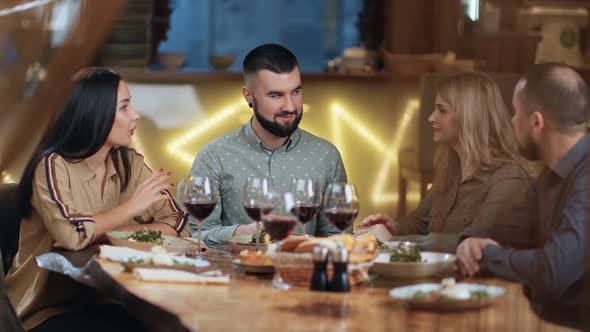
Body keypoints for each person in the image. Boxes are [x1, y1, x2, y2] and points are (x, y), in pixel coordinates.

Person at [7, 67, 189, 331]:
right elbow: (71, 235)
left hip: (103, 300)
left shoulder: (129, 162)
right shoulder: (51, 165)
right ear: (94, 113)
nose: (135, 116)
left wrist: (113, 232)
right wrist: (131, 208)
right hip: (42, 310)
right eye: (124, 108)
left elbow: (177, 222)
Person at [456, 63, 590, 326]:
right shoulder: (552, 175)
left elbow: (554, 271)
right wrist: (470, 243)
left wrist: (488, 255)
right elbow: (505, 232)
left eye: (516, 112)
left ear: (536, 122)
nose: (512, 121)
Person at [180, 44, 347, 244]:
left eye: (295, 92)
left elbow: (338, 239)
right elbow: (196, 236)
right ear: (248, 96)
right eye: (275, 95)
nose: (290, 106)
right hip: (233, 272)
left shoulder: (325, 155)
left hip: (300, 272)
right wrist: (243, 232)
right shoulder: (214, 156)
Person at [358, 72, 532, 253]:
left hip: (479, 281)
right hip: (441, 277)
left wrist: (392, 241)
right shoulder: (451, 168)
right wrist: (393, 227)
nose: (431, 118)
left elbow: (473, 243)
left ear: (469, 117)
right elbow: (420, 220)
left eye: (442, 110)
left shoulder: (509, 178)